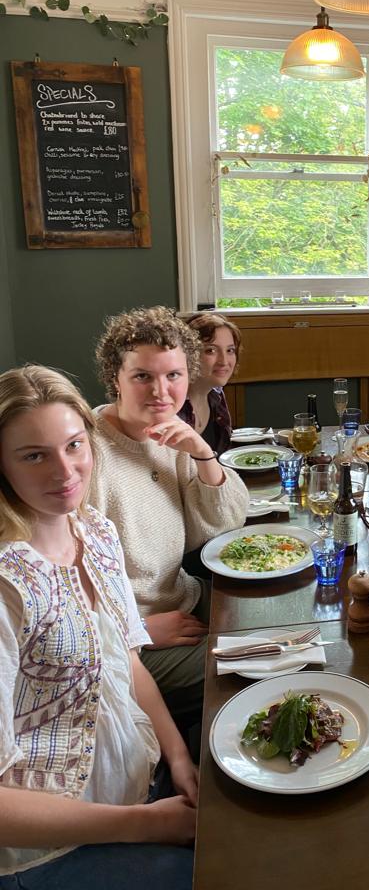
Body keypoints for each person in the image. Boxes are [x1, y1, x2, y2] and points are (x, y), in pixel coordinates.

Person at [0, 366, 195, 889]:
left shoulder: (97, 534)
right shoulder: (8, 585)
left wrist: (179, 757)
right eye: (33, 455)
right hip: (50, 844)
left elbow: (126, 661)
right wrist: (146, 825)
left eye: (74, 445)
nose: (64, 471)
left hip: (137, 781)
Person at [89, 306, 249, 717]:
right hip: (129, 641)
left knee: (283, 623)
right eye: (143, 376)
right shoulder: (88, 453)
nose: (161, 391)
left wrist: (202, 452)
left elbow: (218, 526)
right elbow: (70, 589)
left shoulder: (170, 434)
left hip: (183, 598)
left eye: (173, 375)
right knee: (248, 670)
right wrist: (136, 631)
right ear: (116, 380)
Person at [178, 312, 241, 456]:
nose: (224, 361)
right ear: (188, 354)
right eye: (211, 350)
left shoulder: (216, 393)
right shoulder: (170, 406)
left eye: (230, 350)